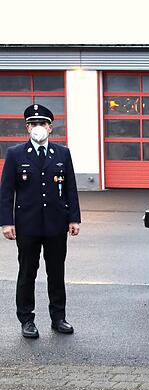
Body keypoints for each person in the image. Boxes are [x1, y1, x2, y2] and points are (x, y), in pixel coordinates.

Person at [0, 104, 81, 339]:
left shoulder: (62, 153)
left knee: (56, 273)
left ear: (50, 127)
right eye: (33, 124)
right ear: (27, 127)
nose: (38, 128)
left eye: (42, 124)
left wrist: (74, 218)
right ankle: (27, 319)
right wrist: (6, 222)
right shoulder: (16, 154)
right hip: (27, 225)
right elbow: (6, 192)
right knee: (27, 273)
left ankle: (59, 318)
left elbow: (71, 189)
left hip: (56, 224)